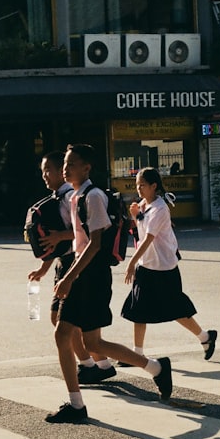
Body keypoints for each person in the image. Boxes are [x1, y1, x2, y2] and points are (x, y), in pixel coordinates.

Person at [47, 143, 173, 423]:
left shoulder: (92, 197)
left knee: (68, 335)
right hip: (83, 273)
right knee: (90, 340)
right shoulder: (76, 196)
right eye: (64, 165)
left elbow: (94, 244)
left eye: (71, 165)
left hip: (91, 276)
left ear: (86, 168)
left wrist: (69, 277)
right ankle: (155, 368)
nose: (65, 169)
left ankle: (77, 405)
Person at [122, 167, 218, 362]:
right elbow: (141, 228)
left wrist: (131, 262)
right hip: (147, 266)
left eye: (142, 185)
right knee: (138, 311)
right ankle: (137, 354)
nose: (139, 189)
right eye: (137, 185)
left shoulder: (159, 209)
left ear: (154, 186)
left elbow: (148, 238)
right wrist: (135, 215)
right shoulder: (144, 205)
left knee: (176, 311)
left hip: (164, 268)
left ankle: (205, 337)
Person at [27, 152, 101, 378]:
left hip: (75, 263)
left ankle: (92, 365)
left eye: (48, 170)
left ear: (62, 171)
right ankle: (93, 364)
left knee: (67, 324)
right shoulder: (57, 198)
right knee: (62, 321)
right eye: (42, 171)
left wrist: (60, 236)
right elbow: (55, 242)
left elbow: (83, 233)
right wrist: (43, 268)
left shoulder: (71, 197)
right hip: (64, 263)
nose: (44, 176)